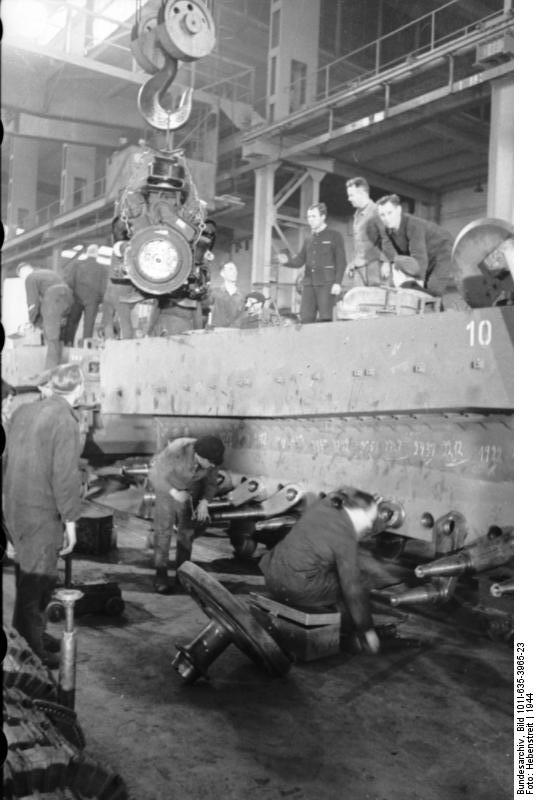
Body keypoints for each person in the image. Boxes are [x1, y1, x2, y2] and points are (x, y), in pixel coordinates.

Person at [3, 364, 84, 668]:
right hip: (40, 513)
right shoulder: (64, 419)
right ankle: (31, 653)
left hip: (15, 507)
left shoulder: (24, 411)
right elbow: (64, 476)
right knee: (38, 582)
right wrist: (71, 523)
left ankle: (26, 634)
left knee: (27, 577)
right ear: (79, 389)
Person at [259, 487, 381, 655]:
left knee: (331, 570)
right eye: (369, 519)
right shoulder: (345, 536)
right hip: (295, 588)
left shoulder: (325, 505)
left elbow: (341, 492)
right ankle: (352, 635)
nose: (369, 524)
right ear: (358, 513)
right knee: (360, 582)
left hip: (272, 576)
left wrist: (365, 499)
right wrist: (367, 627)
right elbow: (352, 588)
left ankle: (339, 621)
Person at [148, 435, 225, 594]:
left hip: (191, 492)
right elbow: (155, 475)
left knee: (187, 534)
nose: (211, 466)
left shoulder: (212, 459)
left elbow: (211, 483)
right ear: (199, 456)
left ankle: (182, 575)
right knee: (163, 532)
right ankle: (160, 574)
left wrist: (205, 501)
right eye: (209, 462)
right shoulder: (177, 451)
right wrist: (174, 492)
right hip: (167, 489)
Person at [375, 194, 468, 310]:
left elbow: (420, 260)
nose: (386, 219)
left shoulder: (413, 225)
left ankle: (438, 321)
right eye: (382, 215)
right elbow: (387, 247)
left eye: (389, 213)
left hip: (443, 251)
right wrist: (387, 262)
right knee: (416, 290)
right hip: (426, 255)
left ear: (398, 210)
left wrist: (418, 281)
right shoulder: (387, 230)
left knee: (432, 290)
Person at [277, 202, 346, 323]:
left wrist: (337, 283)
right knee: (306, 318)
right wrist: (286, 261)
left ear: (323, 216)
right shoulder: (309, 239)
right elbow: (299, 260)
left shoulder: (335, 236)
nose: (310, 220)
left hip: (327, 285)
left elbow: (341, 262)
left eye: (314, 216)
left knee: (326, 319)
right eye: (309, 217)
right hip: (309, 285)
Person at [16, 262, 74, 369]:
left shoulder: (30, 278)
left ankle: (49, 373)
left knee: (51, 338)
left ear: (22, 272)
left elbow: (33, 304)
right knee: (58, 334)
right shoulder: (48, 273)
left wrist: (31, 321)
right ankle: (62, 366)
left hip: (53, 298)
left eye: (20, 277)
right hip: (69, 297)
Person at [64, 244, 109, 344]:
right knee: (89, 324)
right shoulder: (102, 269)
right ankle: (86, 345)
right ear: (97, 254)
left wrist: (72, 294)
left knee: (72, 322)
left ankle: (68, 343)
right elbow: (104, 287)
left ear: (87, 253)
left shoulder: (76, 264)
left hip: (76, 297)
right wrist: (100, 299)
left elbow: (69, 281)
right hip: (93, 300)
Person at [345, 177, 386, 286]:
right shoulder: (357, 215)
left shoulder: (377, 211)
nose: (349, 199)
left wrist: (386, 262)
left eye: (351, 195)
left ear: (362, 193)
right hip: (360, 267)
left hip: (375, 267)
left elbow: (388, 238)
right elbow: (359, 244)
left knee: (376, 300)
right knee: (359, 301)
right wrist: (353, 263)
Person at [208, 262, 244, 327]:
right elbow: (207, 311)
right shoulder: (215, 292)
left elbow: (242, 315)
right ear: (222, 274)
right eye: (230, 269)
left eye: (235, 270)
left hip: (234, 332)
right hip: (217, 332)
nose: (234, 272)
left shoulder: (241, 295)